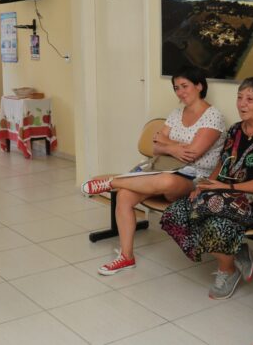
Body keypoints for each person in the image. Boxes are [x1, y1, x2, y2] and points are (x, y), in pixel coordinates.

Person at [81, 68, 226, 275]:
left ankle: (112, 182)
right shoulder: (176, 113)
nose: (180, 92)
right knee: (125, 196)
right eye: (176, 88)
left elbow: (192, 154)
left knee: (166, 181)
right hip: (162, 169)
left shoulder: (213, 116)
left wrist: (168, 144)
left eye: (185, 86)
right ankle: (126, 256)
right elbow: (155, 147)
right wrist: (174, 147)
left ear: (199, 85)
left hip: (194, 179)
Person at [161, 77, 253, 299]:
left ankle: (227, 268)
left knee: (209, 214)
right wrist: (204, 186)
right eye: (239, 98)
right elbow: (222, 164)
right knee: (173, 214)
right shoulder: (235, 130)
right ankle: (234, 256)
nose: (242, 104)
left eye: (250, 99)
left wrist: (226, 187)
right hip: (224, 195)